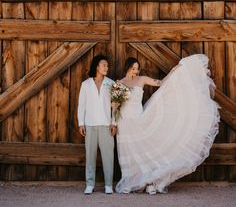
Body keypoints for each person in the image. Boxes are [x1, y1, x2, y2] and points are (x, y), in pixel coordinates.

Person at [115, 55, 220, 194]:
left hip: (138, 119)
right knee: (129, 150)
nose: (136, 71)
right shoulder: (119, 83)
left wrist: (174, 71)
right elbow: (115, 106)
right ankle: (132, 180)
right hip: (124, 122)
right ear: (127, 68)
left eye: (137, 69)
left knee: (144, 149)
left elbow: (160, 82)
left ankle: (150, 180)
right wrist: (114, 119)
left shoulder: (142, 79)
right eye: (133, 68)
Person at [78, 54, 117, 194]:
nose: (107, 67)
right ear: (97, 66)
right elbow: (81, 105)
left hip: (106, 125)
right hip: (90, 125)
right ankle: (89, 184)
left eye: (107, 65)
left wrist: (114, 123)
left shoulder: (111, 84)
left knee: (108, 157)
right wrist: (81, 123)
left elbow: (116, 107)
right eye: (104, 65)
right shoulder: (86, 84)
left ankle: (108, 185)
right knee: (90, 156)